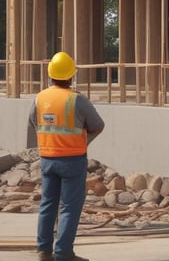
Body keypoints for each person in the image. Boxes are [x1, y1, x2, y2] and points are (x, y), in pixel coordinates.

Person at [29, 52, 105, 261]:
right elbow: (98, 125)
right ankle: (63, 253)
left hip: (47, 159)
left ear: (50, 75)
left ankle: (44, 250)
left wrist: (50, 139)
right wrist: (84, 140)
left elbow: (33, 122)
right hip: (72, 159)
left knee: (48, 204)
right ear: (71, 76)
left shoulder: (40, 98)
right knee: (70, 207)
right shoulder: (77, 100)